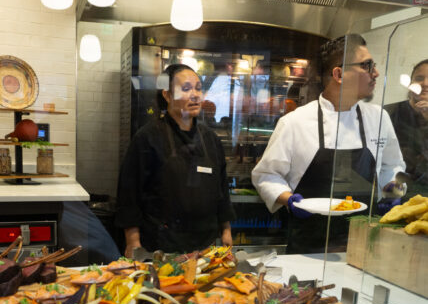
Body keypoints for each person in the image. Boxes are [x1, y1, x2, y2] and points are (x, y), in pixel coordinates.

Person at [251, 34, 406, 254]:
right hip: (308, 247)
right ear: (339, 74)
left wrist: (393, 193)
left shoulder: (378, 118)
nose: (376, 72)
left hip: (364, 245)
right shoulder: (295, 122)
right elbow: (266, 175)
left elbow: (393, 167)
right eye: (367, 65)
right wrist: (290, 200)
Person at [115, 64, 234, 257]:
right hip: (161, 247)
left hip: (206, 247)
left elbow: (222, 191)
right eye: (186, 89)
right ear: (167, 96)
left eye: (198, 88)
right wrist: (132, 242)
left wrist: (226, 231)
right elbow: (129, 195)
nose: (195, 95)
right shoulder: (147, 137)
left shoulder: (211, 139)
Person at [386, 59, 428, 196]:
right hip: (392, 191)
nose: (425, 83)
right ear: (410, 84)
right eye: (419, 78)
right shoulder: (388, 113)